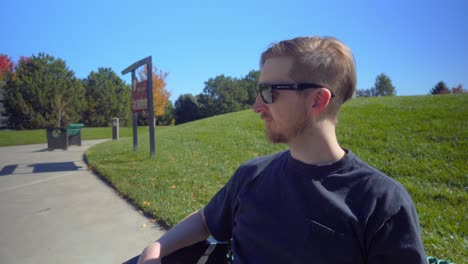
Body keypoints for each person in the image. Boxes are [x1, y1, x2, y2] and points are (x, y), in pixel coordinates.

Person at [137, 36, 427, 263]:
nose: (256, 106)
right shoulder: (252, 174)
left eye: (269, 92)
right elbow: (206, 219)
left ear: (317, 101)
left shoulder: (382, 204)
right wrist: (157, 246)